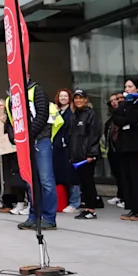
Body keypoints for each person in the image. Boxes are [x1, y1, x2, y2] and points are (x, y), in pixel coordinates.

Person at [6, 78, 58, 231]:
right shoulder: (11, 98)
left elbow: (42, 115)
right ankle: (33, 216)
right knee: (30, 181)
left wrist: (27, 135)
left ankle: (49, 218)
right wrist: (14, 137)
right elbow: (10, 121)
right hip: (26, 143)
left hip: (41, 140)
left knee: (46, 180)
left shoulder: (37, 91)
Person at [110, 77, 138, 221]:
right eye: (126, 86)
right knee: (127, 177)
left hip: (136, 144)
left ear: (137, 88)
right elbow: (116, 116)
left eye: (130, 86)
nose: (127, 89)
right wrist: (123, 119)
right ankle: (133, 207)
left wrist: (125, 120)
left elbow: (132, 119)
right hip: (125, 144)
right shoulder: (126, 103)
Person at [68, 89, 102, 219]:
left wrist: (91, 154)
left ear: (86, 100)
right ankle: (87, 207)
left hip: (87, 156)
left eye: (81, 98)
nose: (78, 101)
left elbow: (94, 135)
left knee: (88, 182)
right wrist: (71, 156)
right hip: (77, 156)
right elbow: (72, 137)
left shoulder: (90, 115)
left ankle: (91, 209)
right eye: (76, 98)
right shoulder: (74, 115)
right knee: (82, 182)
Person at [54, 88, 80, 214]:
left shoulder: (72, 112)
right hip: (58, 148)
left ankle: (75, 202)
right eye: (61, 96)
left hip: (69, 148)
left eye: (65, 96)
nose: (63, 98)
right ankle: (64, 201)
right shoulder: (56, 112)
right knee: (62, 175)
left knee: (71, 175)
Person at [103, 92, 126, 209]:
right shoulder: (112, 116)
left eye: (116, 100)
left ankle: (125, 197)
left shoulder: (122, 114)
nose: (114, 102)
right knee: (117, 173)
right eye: (111, 101)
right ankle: (120, 195)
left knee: (123, 174)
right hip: (112, 149)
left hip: (121, 148)